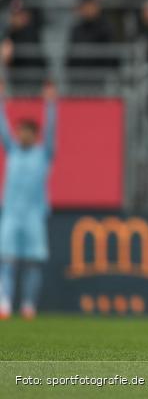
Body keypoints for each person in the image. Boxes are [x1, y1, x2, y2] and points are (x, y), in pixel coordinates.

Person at [0, 79, 56, 320]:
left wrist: (51, 104)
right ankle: (4, 303)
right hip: (11, 213)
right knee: (7, 260)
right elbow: (2, 127)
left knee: (33, 262)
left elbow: (52, 129)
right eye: (19, 130)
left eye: (25, 131)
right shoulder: (12, 149)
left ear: (34, 135)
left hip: (34, 215)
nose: (20, 135)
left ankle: (29, 305)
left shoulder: (43, 154)